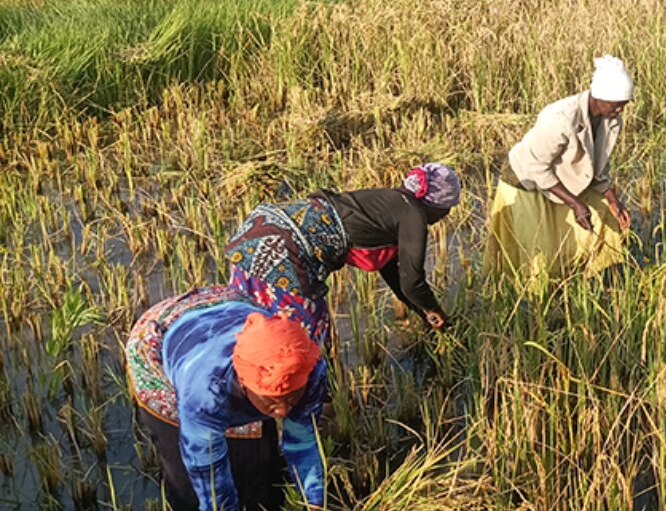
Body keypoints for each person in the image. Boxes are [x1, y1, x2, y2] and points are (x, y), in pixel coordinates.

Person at [126, 286, 326, 511]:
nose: (282, 411)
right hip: (161, 340)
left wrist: (315, 502)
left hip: (227, 306)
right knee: (190, 488)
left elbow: (303, 440)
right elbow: (209, 475)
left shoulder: (311, 368)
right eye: (272, 401)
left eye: (291, 398)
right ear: (244, 384)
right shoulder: (205, 393)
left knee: (259, 472)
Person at [225, 163, 461, 344]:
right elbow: (412, 282)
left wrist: (424, 312)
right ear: (436, 205)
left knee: (255, 328)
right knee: (306, 341)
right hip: (283, 250)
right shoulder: (414, 215)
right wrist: (438, 313)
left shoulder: (386, 204)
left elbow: (394, 274)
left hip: (254, 233)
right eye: (448, 208)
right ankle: (318, 404)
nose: (447, 215)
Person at [486, 56, 633, 291]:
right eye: (616, 103)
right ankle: (537, 304)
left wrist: (612, 199)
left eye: (625, 103)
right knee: (540, 249)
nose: (621, 109)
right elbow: (537, 167)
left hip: (565, 177)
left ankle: (592, 277)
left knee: (605, 216)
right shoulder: (561, 118)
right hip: (527, 181)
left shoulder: (612, 120)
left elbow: (600, 162)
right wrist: (575, 204)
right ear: (599, 95)